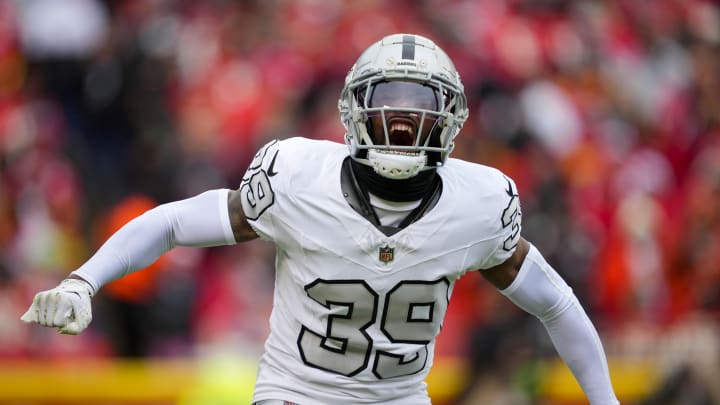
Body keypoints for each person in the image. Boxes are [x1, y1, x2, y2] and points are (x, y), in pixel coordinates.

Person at [21, 33, 619, 404]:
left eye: (418, 111)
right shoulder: (296, 177)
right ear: (354, 112)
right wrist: (85, 278)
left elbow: (556, 304)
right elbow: (177, 221)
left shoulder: (480, 204)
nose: (402, 124)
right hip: (295, 396)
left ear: (452, 120)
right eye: (388, 107)